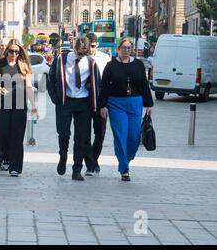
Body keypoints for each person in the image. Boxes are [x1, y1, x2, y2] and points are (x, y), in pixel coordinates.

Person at [98, 38, 153, 181]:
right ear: (118, 49)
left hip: (135, 103)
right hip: (116, 104)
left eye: (129, 48)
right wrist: (102, 105)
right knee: (120, 135)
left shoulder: (139, 65)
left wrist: (149, 104)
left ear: (132, 49)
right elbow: (104, 87)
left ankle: (126, 160)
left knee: (134, 138)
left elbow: (144, 85)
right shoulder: (111, 66)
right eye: (124, 47)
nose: (126, 50)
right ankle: (124, 168)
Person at [47, 36, 100, 181]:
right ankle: (62, 156)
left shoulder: (91, 62)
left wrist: (96, 103)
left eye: (84, 53)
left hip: (83, 103)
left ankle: (77, 169)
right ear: (74, 48)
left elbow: (97, 83)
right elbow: (50, 79)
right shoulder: (61, 59)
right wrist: (55, 99)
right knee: (64, 135)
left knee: (81, 138)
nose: (81, 56)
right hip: (65, 102)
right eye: (79, 53)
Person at [0, 39, 38, 177]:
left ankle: (15, 167)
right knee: (3, 134)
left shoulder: (24, 65)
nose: (13, 54)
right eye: (11, 51)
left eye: (17, 51)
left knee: (17, 136)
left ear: (20, 52)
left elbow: (29, 86)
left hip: (19, 105)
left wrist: (34, 106)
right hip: (2, 104)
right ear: (7, 51)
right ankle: (5, 156)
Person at [85, 33, 111, 175]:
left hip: (101, 101)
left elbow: (109, 81)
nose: (90, 49)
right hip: (84, 101)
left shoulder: (105, 59)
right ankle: (89, 163)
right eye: (88, 46)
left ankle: (94, 159)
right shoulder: (81, 58)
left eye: (93, 46)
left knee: (100, 135)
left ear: (97, 45)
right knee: (84, 135)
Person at [0, 37, 10, 170]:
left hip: (14, 102)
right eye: (1, 45)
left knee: (6, 132)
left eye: (5, 45)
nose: (2, 47)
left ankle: (4, 158)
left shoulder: (16, 61)